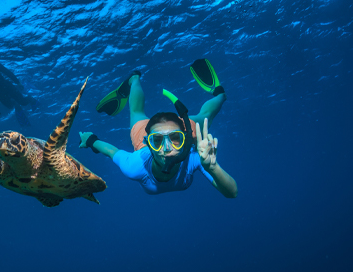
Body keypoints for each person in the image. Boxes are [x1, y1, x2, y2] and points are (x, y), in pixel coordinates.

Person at [79, 61, 237, 197]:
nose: (167, 149)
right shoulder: (136, 165)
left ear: (186, 138)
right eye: (157, 141)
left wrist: (213, 168)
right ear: (148, 143)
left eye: (175, 138)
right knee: (136, 112)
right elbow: (111, 151)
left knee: (207, 115)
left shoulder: (196, 157)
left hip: (183, 128)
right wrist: (91, 140)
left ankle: (220, 94)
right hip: (144, 131)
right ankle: (134, 79)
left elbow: (232, 193)